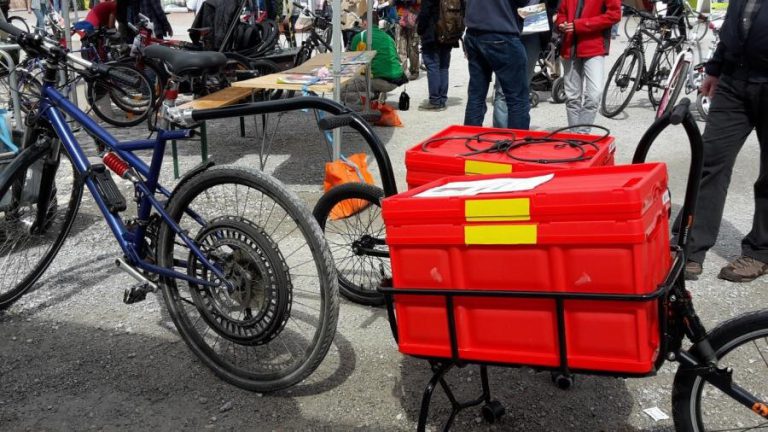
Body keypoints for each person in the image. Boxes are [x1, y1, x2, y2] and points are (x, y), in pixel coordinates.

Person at [681, 0, 768, 282]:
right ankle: (690, 245)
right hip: (735, 79)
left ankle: (760, 251)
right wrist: (716, 69)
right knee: (709, 159)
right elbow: (733, 24)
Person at [491, 0, 559, 128]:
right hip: (506, 30)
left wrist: (549, 14)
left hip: (533, 30)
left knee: (523, 88)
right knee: (501, 90)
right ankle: (501, 135)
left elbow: (553, 4)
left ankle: (519, 135)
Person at [555, 0, 620, 133]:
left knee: (594, 94)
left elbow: (614, 15)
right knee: (572, 97)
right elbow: (561, 13)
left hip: (594, 47)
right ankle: (575, 136)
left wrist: (580, 25)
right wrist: (561, 23)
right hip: (569, 46)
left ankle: (582, 134)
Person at [464, 0, 530, 130]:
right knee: (517, 98)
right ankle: (518, 144)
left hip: (474, 32)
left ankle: (469, 138)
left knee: (476, 95)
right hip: (501, 32)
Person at [349, 10, 408, 101]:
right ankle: (377, 93)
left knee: (341, 91)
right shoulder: (388, 37)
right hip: (396, 80)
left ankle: (373, 96)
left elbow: (352, 62)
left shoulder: (360, 37)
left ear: (365, 23)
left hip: (379, 79)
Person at [417, 0, 457, 111]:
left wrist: (420, 29)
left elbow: (425, 13)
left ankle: (435, 100)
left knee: (432, 65)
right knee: (444, 67)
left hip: (433, 32)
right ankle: (442, 99)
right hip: (449, 31)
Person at [396, 0, 420, 79]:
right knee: (403, 47)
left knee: (411, 46)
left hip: (411, 17)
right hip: (403, 17)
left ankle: (413, 70)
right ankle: (406, 71)